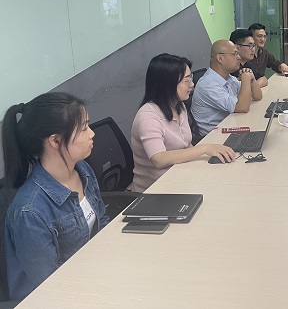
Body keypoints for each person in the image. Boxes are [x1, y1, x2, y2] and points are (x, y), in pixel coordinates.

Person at [2, 92, 108, 301]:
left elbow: (103, 223)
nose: (92, 134)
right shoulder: (30, 212)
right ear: (55, 140)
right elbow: (51, 286)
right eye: (84, 128)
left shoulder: (83, 170)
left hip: (91, 279)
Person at [131, 53, 236, 192]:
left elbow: (186, 145)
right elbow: (159, 159)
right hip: (156, 190)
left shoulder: (179, 107)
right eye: (186, 80)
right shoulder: (148, 116)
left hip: (181, 177)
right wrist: (204, 149)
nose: (192, 84)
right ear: (168, 83)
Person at [191, 40, 262, 137]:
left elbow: (258, 96)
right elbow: (242, 107)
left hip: (232, 125)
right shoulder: (208, 85)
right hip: (214, 137)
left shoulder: (229, 78)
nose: (239, 57)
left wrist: (251, 78)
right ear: (220, 58)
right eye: (235, 54)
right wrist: (246, 79)